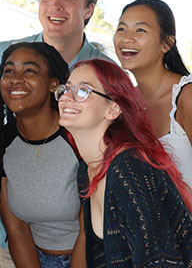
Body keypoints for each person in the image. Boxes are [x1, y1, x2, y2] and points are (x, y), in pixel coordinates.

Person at [56, 58, 192, 267]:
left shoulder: (128, 169)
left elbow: (160, 261)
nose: (67, 98)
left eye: (83, 91)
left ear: (113, 109)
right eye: (66, 89)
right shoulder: (89, 167)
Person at [0, 41, 85, 268]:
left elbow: (90, 230)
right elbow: (16, 229)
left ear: (53, 84)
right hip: (37, 259)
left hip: (93, 258)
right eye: (9, 71)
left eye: (29, 71)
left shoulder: (79, 135)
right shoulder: (2, 142)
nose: (16, 79)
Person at [113, 0, 192, 187]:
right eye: (121, 28)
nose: (126, 38)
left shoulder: (186, 97)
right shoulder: (120, 104)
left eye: (140, 30)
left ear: (167, 43)